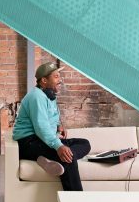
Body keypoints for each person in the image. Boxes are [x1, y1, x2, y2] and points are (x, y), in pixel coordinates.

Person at [13, 61, 91, 191]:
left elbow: (47, 120)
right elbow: (41, 127)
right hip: (29, 143)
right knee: (67, 157)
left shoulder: (49, 96)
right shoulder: (37, 97)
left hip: (40, 141)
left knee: (85, 144)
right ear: (44, 80)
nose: (60, 80)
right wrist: (59, 146)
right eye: (56, 77)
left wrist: (57, 127)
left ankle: (47, 159)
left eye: (59, 76)